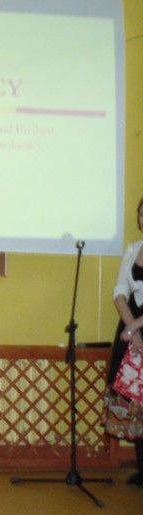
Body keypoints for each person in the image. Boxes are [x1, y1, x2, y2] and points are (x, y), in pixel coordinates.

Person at [106, 196, 143, 486]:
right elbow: (119, 291)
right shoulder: (132, 250)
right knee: (134, 400)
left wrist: (134, 328)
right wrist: (132, 328)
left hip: (135, 327)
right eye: (141, 214)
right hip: (131, 326)